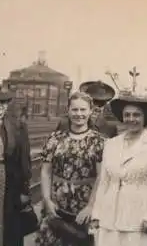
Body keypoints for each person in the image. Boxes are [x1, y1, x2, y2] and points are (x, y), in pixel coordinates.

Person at [90, 95, 147, 246]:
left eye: (136, 115)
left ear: (144, 118)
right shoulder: (111, 144)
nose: (131, 119)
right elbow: (104, 182)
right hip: (109, 217)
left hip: (140, 218)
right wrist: (97, 213)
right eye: (127, 115)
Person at [35, 91, 105, 246]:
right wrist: (47, 200)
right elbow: (46, 172)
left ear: (90, 111)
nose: (78, 114)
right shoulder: (55, 139)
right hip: (56, 206)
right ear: (68, 111)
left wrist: (90, 207)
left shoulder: (99, 142)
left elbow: (102, 176)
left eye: (83, 110)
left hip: (84, 209)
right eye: (74, 109)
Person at [0, 87, 32, 246]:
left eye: (2, 102)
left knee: (6, 222)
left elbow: (24, 160)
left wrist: (25, 190)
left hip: (6, 181)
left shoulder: (17, 126)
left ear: (7, 105)